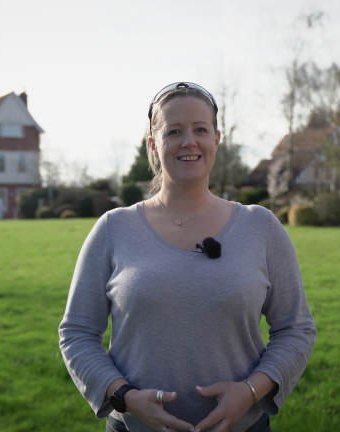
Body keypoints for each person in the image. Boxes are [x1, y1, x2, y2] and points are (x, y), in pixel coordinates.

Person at [58, 82, 316, 432]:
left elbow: (296, 329)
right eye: (174, 131)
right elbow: (77, 333)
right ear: (153, 144)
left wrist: (251, 391)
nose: (189, 142)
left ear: (217, 139)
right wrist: (124, 397)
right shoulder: (112, 229)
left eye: (200, 130)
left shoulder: (261, 226)